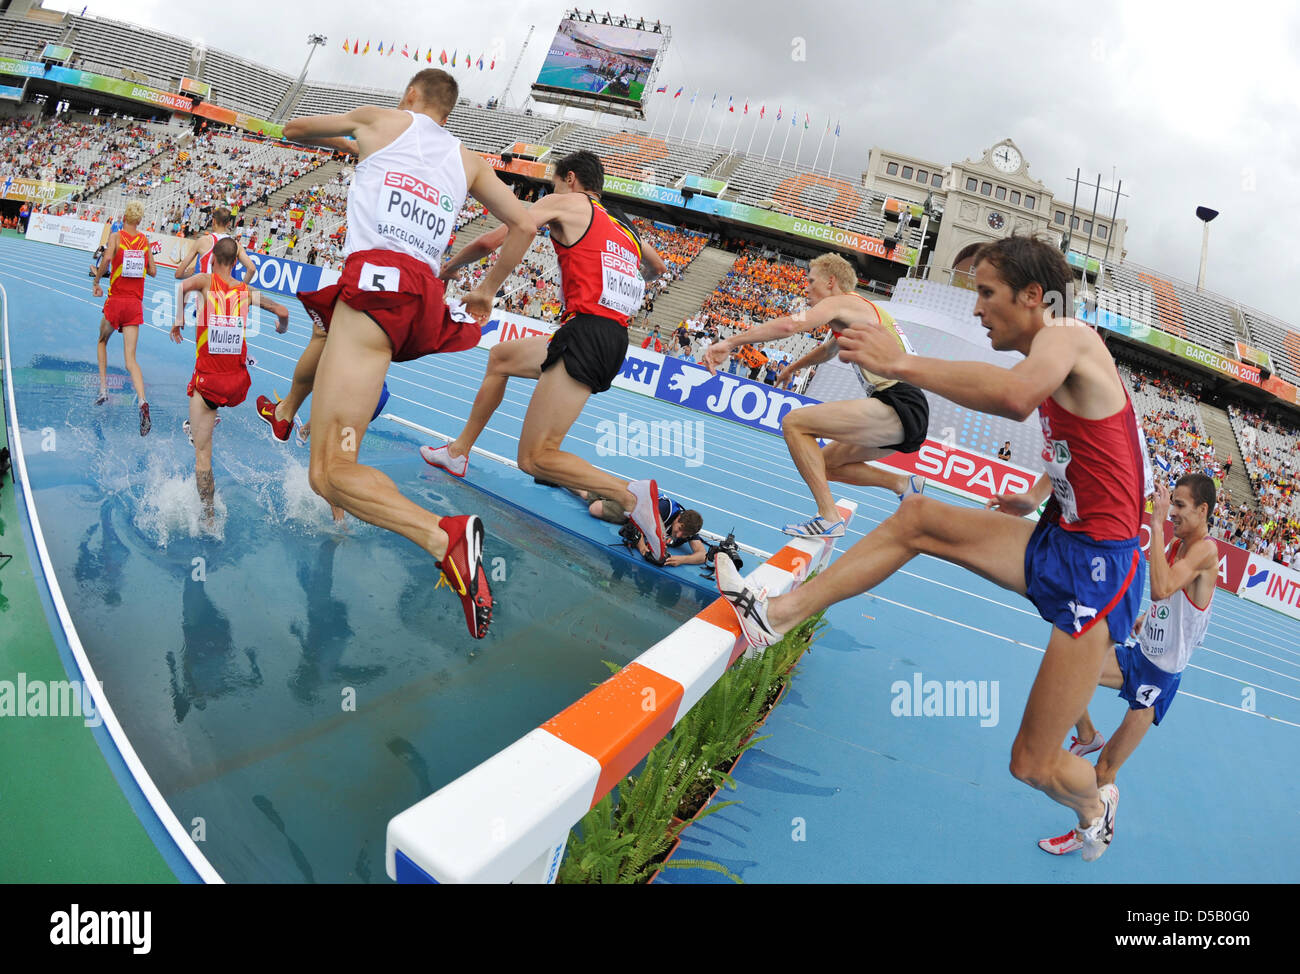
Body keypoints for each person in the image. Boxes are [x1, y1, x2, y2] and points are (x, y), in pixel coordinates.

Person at [715, 234, 1153, 862]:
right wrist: (1035, 497)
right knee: (917, 517)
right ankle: (772, 619)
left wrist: (900, 363)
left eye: (986, 293)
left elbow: (1014, 396)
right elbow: (1091, 452)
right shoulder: (1059, 355)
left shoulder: (1068, 335)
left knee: (1031, 764)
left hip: (1101, 571)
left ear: (1034, 295)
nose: (976, 308)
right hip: (1063, 541)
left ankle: (1095, 805)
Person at [256, 68, 537, 640]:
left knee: (330, 472)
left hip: (375, 285)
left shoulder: (380, 122)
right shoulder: (468, 160)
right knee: (330, 472)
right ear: (449, 111)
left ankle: (444, 537)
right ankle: (441, 539)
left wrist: (355, 141)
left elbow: (294, 128)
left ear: (411, 95)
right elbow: (525, 223)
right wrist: (487, 289)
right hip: (417, 304)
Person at [419, 150, 674, 561]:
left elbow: (496, 237)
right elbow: (658, 268)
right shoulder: (624, 225)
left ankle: (629, 496)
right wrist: (621, 286)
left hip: (587, 332)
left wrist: (462, 277)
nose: (550, 192)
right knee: (501, 357)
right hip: (608, 334)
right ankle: (457, 452)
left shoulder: (566, 202)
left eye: (553, 183)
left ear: (569, 179)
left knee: (534, 458)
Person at [1038, 475, 1218, 856]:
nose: (1172, 512)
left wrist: (1155, 523)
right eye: (1172, 504)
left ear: (1203, 510)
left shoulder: (1204, 552)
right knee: (1069, 663)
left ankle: (1088, 830)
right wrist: (1148, 618)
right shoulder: (1178, 544)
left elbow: (1162, 587)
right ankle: (1087, 734)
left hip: (1158, 678)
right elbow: (1169, 601)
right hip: (1140, 655)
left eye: (1180, 505)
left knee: (1105, 769)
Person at [704, 253, 929, 537]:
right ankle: (901, 484)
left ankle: (828, 516)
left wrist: (730, 342)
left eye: (811, 281)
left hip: (899, 402)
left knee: (794, 423)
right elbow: (827, 350)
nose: (806, 288)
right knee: (826, 466)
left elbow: (790, 325)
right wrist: (792, 368)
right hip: (903, 406)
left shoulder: (842, 302)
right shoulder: (856, 313)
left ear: (830, 282)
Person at [170, 238, 290, 527]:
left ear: (212, 258)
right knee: (214, 405)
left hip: (209, 384)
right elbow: (283, 312)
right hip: (238, 385)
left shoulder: (204, 281)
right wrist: (281, 327)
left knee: (203, 453)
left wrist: (179, 319)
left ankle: (209, 516)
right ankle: (228, 418)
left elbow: (181, 287)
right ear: (236, 263)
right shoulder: (245, 290)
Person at [92, 200, 155, 434]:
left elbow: (107, 259)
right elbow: (153, 271)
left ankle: (103, 390)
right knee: (131, 360)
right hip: (134, 305)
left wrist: (97, 280)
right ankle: (142, 401)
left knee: (102, 341)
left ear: (125, 217)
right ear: (139, 220)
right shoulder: (144, 241)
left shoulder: (116, 237)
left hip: (116, 301)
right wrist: (141, 261)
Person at [571, 487, 708, 566]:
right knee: (592, 504)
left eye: (684, 535)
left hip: (634, 511)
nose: (679, 535)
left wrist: (682, 560)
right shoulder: (664, 509)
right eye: (679, 529)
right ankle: (561, 479)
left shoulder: (689, 528)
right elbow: (636, 524)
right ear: (678, 518)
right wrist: (643, 549)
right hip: (631, 503)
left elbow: (703, 555)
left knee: (594, 502)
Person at [174, 206, 258, 281]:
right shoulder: (236, 245)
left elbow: (178, 274)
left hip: (206, 291)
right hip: (226, 292)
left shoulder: (202, 241)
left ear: (213, 221)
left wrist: (189, 273)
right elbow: (252, 269)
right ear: (228, 223)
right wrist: (242, 286)